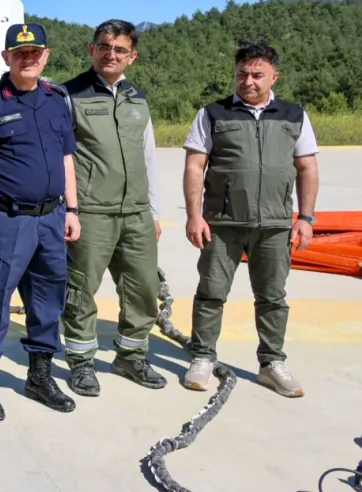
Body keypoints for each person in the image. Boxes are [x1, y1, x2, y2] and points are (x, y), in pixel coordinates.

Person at [0, 22, 82, 422]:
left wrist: (73, 210)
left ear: (45, 56)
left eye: (35, 52)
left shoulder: (57, 99)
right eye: (20, 53)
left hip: (51, 218)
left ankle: (39, 377)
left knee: (48, 301)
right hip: (6, 220)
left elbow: (66, 158)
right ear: (6, 57)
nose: (29, 58)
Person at [181, 41, 319, 398]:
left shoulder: (294, 115)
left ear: (274, 77)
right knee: (211, 293)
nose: (248, 81)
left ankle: (271, 363)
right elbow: (195, 166)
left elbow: (307, 167)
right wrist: (194, 216)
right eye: (242, 73)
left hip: (274, 225)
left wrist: (305, 217)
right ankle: (202, 357)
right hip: (222, 223)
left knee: (272, 296)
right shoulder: (213, 113)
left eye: (258, 74)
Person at [59, 20, 168, 395]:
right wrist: (69, 210)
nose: (111, 54)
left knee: (143, 288)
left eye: (120, 49)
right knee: (80, 291)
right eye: (104, 46)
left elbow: (148, 156)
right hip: (91, 212)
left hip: (136, 212)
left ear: (131, 57)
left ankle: (131, 357)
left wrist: (153, 212)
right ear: (92, 49)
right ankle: (81, 363)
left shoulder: (138, 97)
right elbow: (61, 157)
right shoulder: (69, 95)